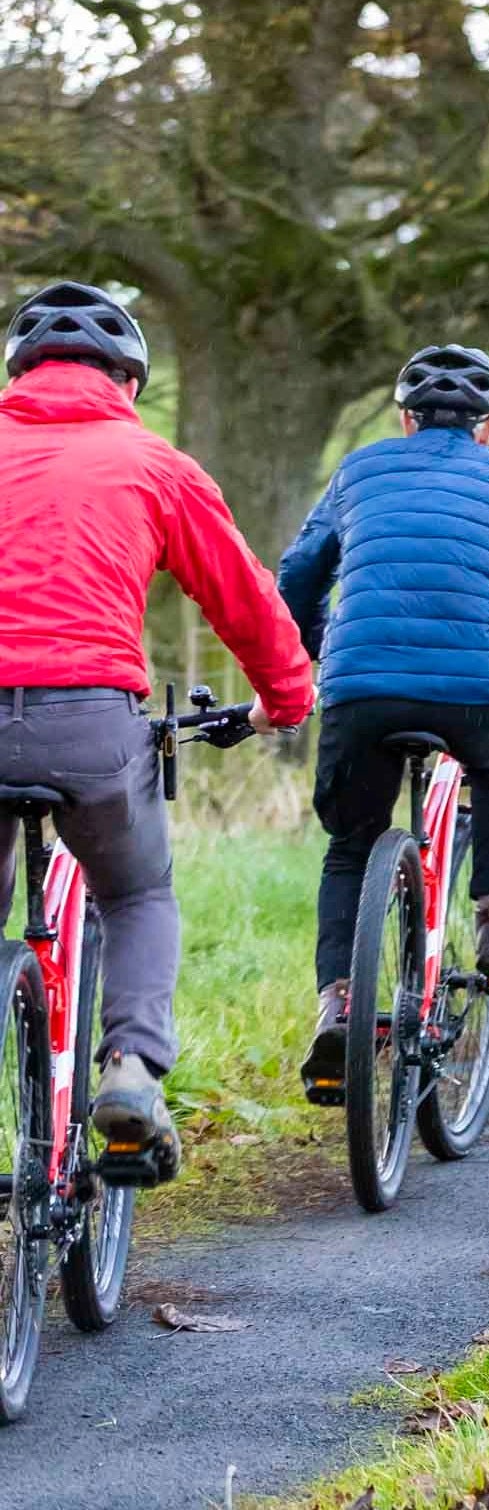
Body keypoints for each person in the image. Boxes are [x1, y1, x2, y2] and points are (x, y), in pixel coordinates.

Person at [0, 280, 315, 1183]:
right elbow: (246, 602)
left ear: (20, 374)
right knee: (135, 894)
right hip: (92, 725)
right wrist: (286, 700)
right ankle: (131, 1071)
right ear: (128, 383)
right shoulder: (155, 464)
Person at [277, 344, 489, 1101]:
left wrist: (318, 649)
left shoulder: (360, 470)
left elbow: (299, 575)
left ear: (405, 420)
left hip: (361, 689)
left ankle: (339, 1009)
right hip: (474, 688)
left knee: (350, 846)